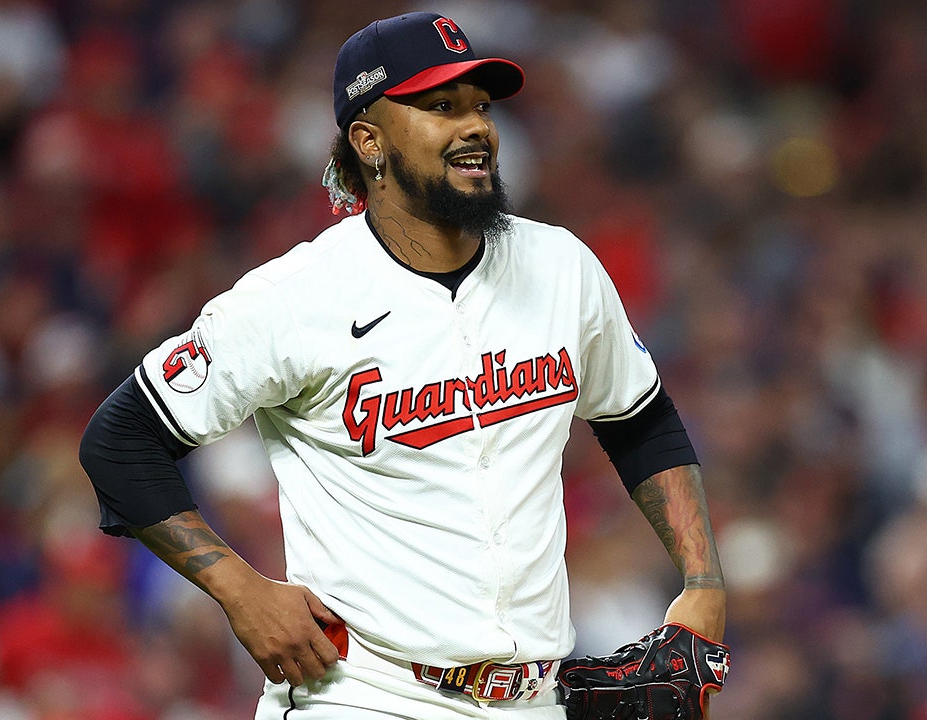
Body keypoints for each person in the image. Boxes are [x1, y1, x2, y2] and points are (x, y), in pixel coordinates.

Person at [78, 12, 726, 720]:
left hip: (535, 698)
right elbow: (121, 439)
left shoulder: (561, 266)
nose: (474, 125)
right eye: (440, 106)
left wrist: (702, 580)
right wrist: (241, 590)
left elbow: (640, 418)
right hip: (365, 693)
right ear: (369, 141)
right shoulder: (294, 297)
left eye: (480, 105)